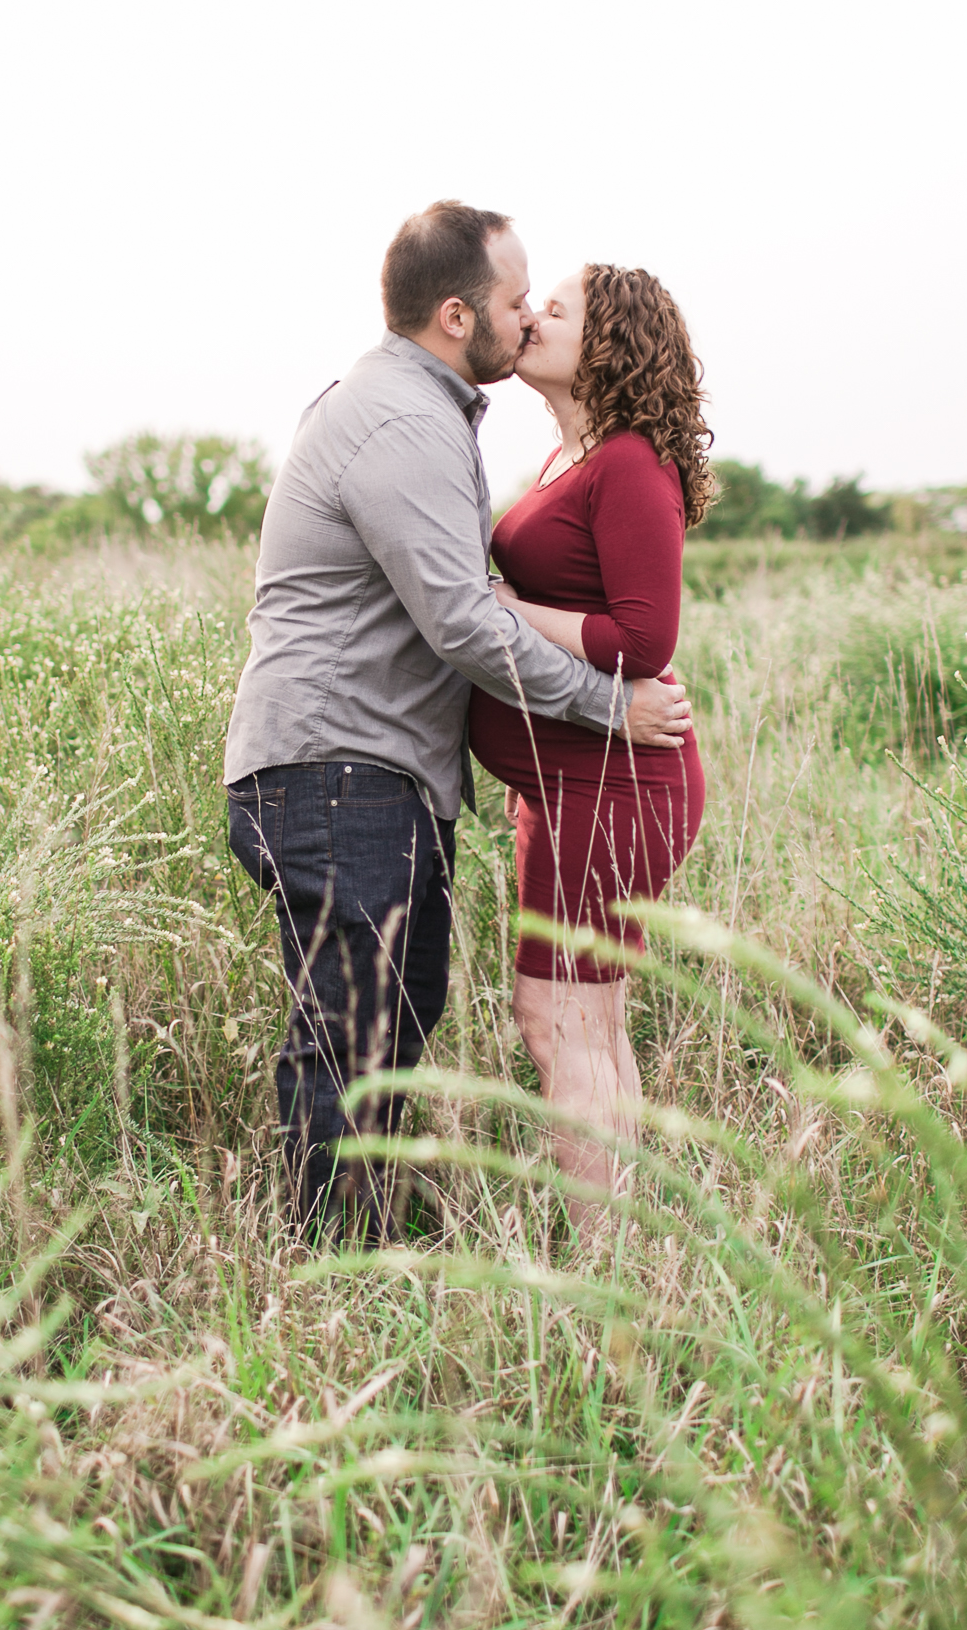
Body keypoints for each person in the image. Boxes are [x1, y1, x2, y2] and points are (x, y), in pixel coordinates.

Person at [223, 203, 694, 1237]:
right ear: (453, 316)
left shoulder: (437, 417)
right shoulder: (401, 421)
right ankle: (339, 1270)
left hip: (378, 776)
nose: (526, 319)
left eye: (543, 304)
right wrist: (607, 706)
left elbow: (542, 612)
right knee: (356, 1030)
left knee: (394, 1017)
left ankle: (374, 1245)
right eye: (515, 301)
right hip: (338, 769)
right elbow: (463, 624)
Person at [468, 263, 713, 1232]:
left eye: (553, 310)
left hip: (612, 788)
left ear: (606, 343)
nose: (529, 317)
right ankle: (631, 1252)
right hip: (563, 786)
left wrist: (511, 610)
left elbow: (643, 642)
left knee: (556, 1019)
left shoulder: (628, 463)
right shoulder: (564, 460)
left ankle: (602, 1267)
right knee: (591, 1020)